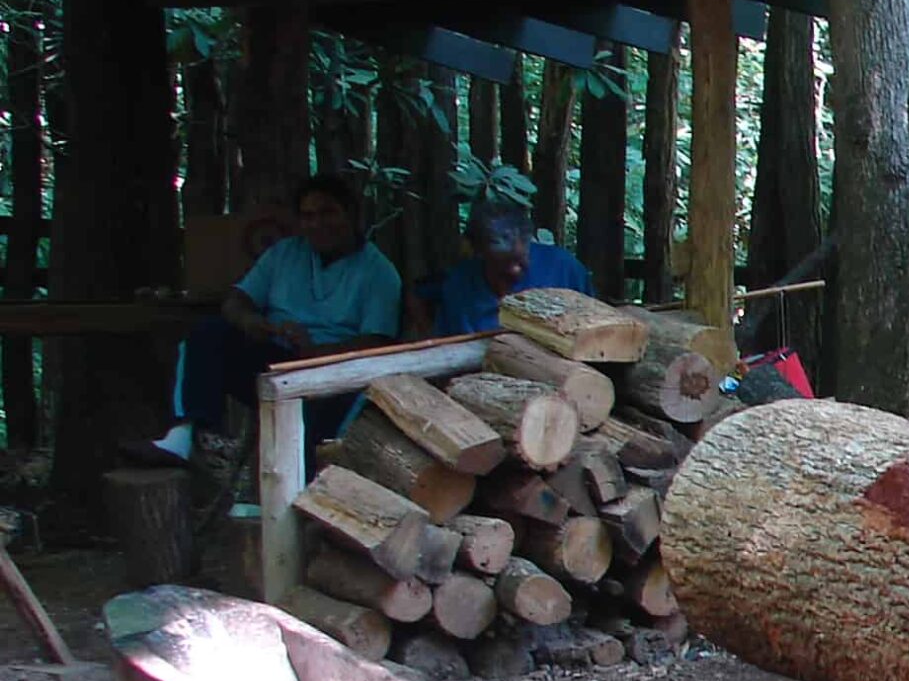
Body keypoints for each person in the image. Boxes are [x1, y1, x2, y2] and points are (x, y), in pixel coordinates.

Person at [129, 174, 402, 466]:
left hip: (331, 380)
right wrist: (252, 323)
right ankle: (186, 437)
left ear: (351, 215)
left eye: (328, 213)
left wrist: (315, 353)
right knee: (207, 334)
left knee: (310, 449)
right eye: (308, 216)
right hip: (273, 362)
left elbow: (375, 344)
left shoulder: (379, 272)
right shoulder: (285, 253)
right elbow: (237, 300)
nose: (317, 224)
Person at [423, 206, 592, 336]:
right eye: (502, 264)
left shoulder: (563, 268)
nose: (515, 270)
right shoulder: (459, 285)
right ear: (480, 255)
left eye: (521, 260)